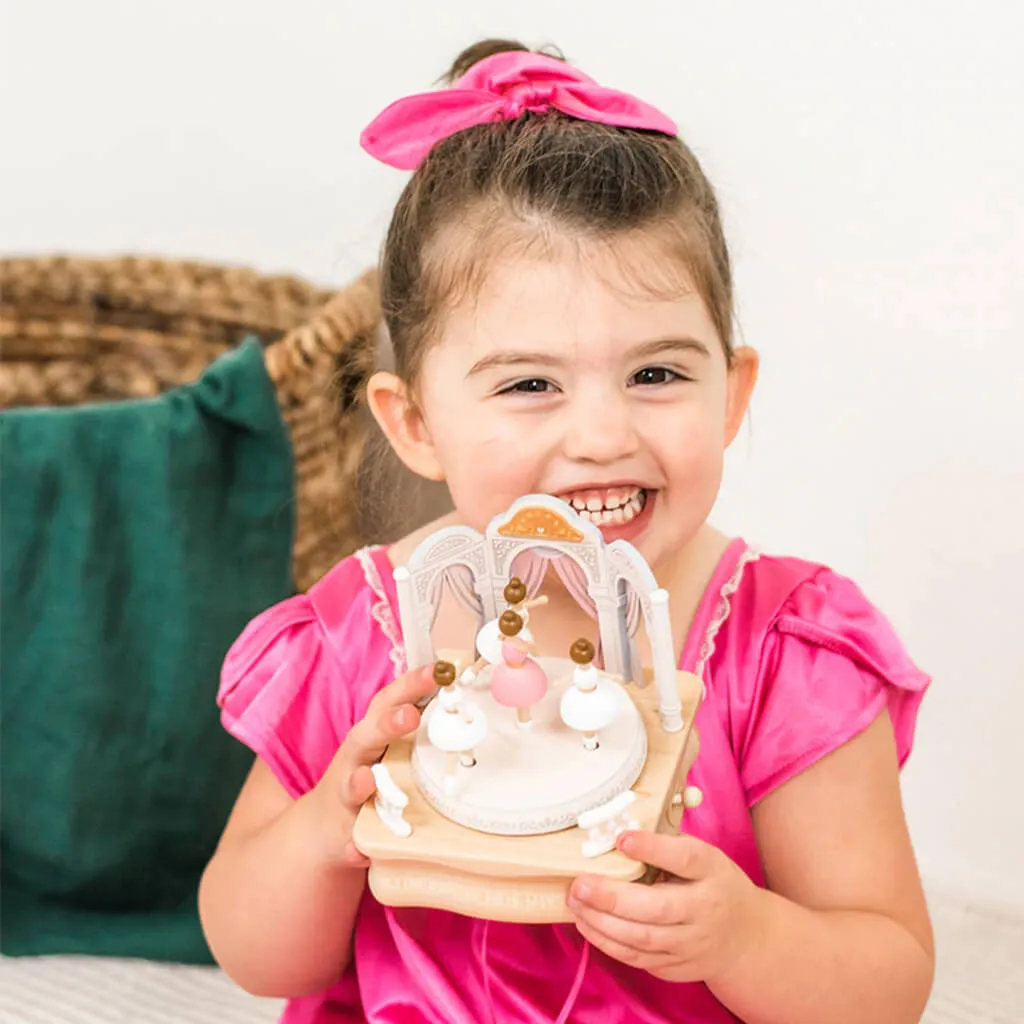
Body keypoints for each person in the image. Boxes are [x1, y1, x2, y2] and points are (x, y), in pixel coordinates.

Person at [199, 38, 934, 1024]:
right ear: (414, 423)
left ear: (730, 394)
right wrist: (328, 827)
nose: (601, 435)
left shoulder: (782, 650)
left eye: (657, 374)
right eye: (529, 384)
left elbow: (884, 981)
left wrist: (743, 937)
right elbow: (254, 952)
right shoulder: (359, 635)